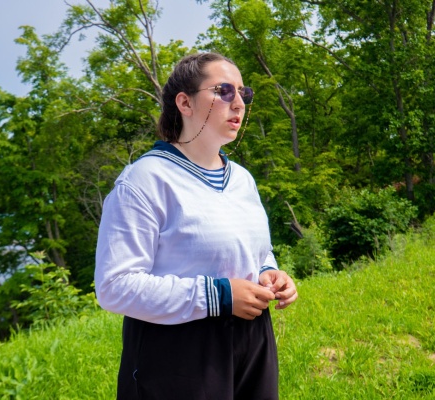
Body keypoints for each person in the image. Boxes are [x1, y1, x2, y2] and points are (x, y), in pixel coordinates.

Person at [95, 52, 298, 400]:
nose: (239, 103)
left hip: (254, 340)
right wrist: (219, 296)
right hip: (179, 352)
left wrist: (269, 272)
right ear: (185, 103)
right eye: (224, 91)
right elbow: (114, 286)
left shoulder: (242, 179)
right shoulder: (145, 180)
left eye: (243, 93)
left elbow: (256, 250)